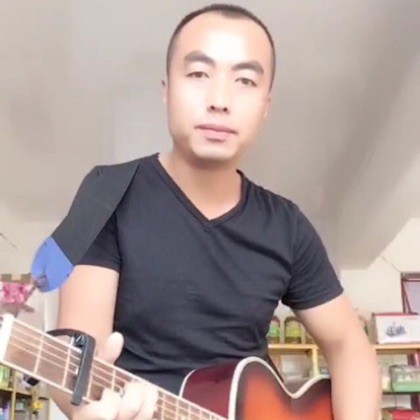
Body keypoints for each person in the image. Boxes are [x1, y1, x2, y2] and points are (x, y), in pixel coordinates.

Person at [50, 3, 381, 419]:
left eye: (245, 80)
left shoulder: (287, 226)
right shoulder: (107, 193)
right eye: (198, 74)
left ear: (266, 104)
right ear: (166, 89)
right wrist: (85, 410)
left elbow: (350, 344)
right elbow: (74, 358)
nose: (220, 100)